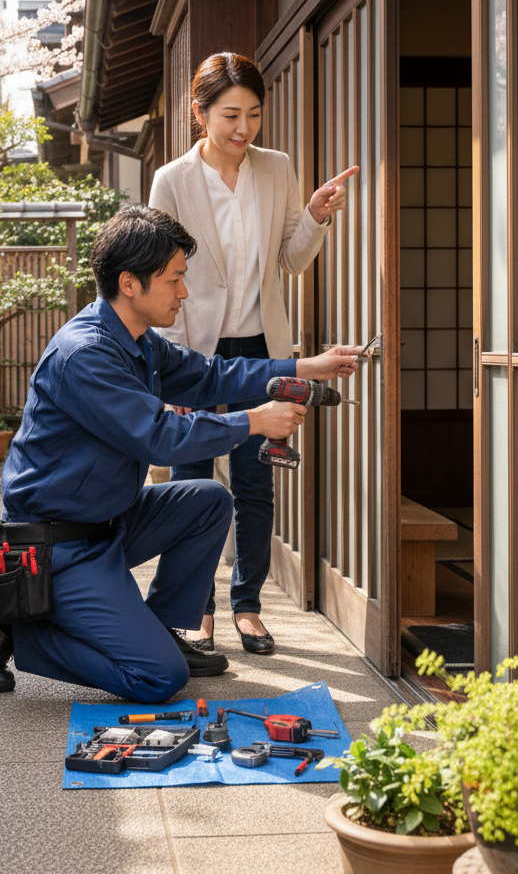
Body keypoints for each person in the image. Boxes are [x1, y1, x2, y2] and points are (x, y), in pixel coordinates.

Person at [0, 205, 360, 704]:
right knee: (159, 678)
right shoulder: (84, 355)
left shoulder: (140, 343)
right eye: (174, 280)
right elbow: (161, 436)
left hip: (111, 522)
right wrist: (255, 421)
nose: (184, 292)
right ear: (130, 283)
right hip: (57, 547)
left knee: (209, 500)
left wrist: (307, 365)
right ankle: (15, 626)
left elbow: (211, 376)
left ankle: (159, 626)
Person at [149, 51, 359, 655]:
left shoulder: (277, 169)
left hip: (261, 350)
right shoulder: (173, 180)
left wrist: (316, 217)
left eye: (254, 115)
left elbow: (290, 260)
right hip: (195, 353)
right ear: (200, 113)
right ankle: (195, 609)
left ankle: (247, 606)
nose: (243, 129)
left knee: (254, 485)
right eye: (230, 115)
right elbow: (162, 272)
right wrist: (170, 360)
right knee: (190, 484)